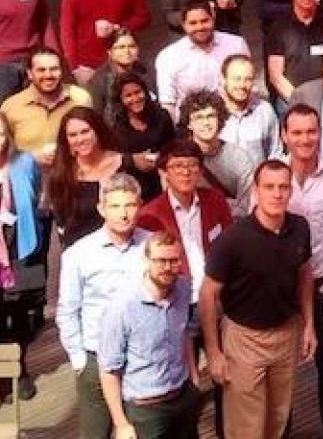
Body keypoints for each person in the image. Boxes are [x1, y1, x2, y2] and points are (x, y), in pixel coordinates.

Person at [200, 160, 317, 439]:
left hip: (285, 332)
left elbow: (305, 274)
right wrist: (214, 353)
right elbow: (207, 294)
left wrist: (309, 324)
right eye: (269, 187)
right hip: (244, 339)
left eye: (283, 187)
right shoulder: (232, 240)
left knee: (277, 418)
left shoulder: (300, 227)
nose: (276, 194)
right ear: (256, 190)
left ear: (291, 191)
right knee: (245, 427)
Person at [135, 139, 232, 437]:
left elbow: (229, 247)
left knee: (227, 378)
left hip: (216, 301)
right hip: (177, 304)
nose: (186, 172)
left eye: (192, 165)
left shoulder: (215, 201)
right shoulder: (150, 214)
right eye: (177, 166)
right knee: (186, 385)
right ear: (164, 171)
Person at [57, 172, 150, 439]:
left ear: (140, 206)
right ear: (101, 209)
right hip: (96, 359)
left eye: (130, 205)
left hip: (140, 362)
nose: (124, 214)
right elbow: (67, 310)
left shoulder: (151, 244)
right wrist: (79, 360)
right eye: (115, 206)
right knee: (95, 434)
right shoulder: (79, 253)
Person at [279, 104, 323, 429]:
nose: (305, 139)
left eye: (311, 131)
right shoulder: (271, 175)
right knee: (280, 373)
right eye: (297, 132)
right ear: (284, 136)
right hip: (283, 290)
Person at [97, 231, 199, 439]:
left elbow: (185, 332)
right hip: (146, 409)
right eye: (161, 260)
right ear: (146, 260)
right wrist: (121, 424)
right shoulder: (122, 306)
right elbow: (108, 369)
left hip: (182, 395)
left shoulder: (183, 288)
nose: (168, 268)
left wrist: (194, 378)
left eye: (174, 260)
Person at [0, 111, 47, 401]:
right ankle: (1, 371)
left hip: (21, 243)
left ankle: (19, 366)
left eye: (0, 134)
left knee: (22, 313)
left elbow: (37, 193)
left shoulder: (24, 161)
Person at [47, 106, 139, 248]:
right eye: (73, 135)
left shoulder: (126, 164)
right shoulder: (61, 174)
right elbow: (62, 223)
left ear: (97, 130)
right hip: (81, 253)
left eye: (85, 132)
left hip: (127, 248)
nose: (80, 139)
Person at [154, 0, 250, 120]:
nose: (199, 27)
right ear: (183, 25)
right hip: (193, 127)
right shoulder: (168, 57)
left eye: (204, 21)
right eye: (193, 23)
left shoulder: (236, 45)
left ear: (213, 19)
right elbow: (168, 103)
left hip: (235, 120)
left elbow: (249, 85)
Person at [0, 47, 92, 164]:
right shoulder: (11, 107)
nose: (48, 75)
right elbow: (2, 151)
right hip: (27, 178)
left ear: (61, 71)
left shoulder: (80, 98)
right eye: (41, 70)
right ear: (30, 73)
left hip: (73, 173)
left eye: (54, 69)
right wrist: (31, 158)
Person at [178, 89, 254, 217]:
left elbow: (247, 206)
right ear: (189, 124)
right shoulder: (179, 159)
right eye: (199, 118)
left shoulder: (239, 157)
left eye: (211, 116)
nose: (206, 123)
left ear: (220, 119)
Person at [111, 72, 176, 201]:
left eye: (138, 92)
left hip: (165, 182)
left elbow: (174, 147)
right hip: (135, 189)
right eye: (128, 95)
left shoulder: (162, 117)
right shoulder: (116, 128)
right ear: (120, 99)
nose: (135, 98)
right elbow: (114, 160)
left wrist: (160, 159)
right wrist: (133, 161)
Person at [219, 55, 281, 167]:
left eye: (248, 79)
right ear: (224, 80)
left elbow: (275, 153)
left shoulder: (264, 111)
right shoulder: (211, 113)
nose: (242, 85)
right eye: (237, 79)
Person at [86, 28, 156, 125]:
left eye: (132, 46)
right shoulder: (99, 81)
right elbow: (98, 118)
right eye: (121, 47)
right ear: (110, 51)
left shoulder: (146, 70)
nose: (127, 51)